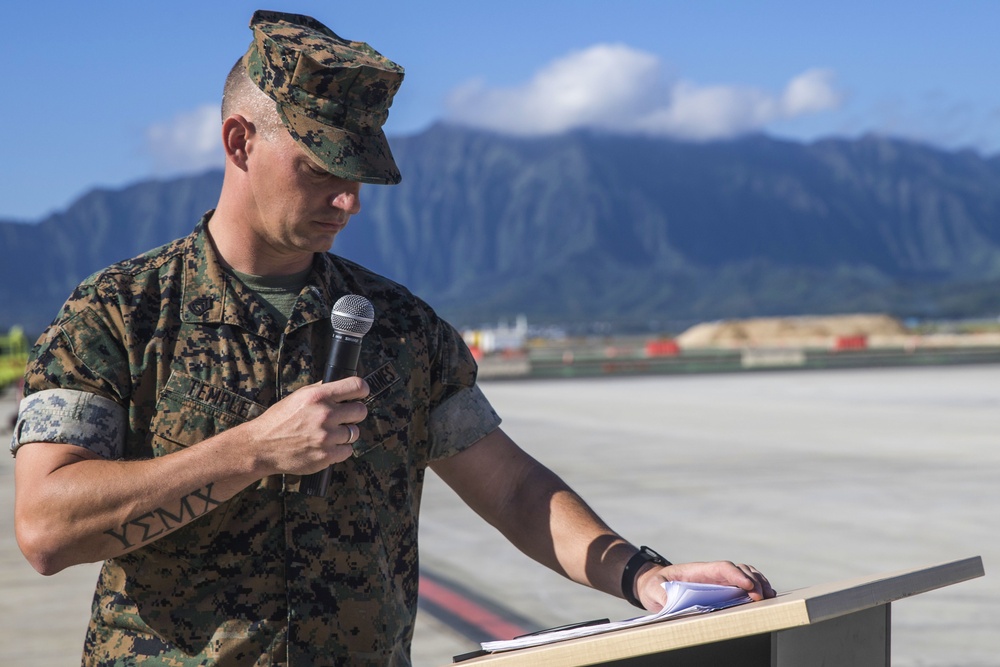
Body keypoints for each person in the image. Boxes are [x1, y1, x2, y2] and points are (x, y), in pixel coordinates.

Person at [11, 10, 774, 666]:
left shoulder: (400, 326)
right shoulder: (120, 313)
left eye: (361, 177)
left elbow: (512, 488)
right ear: (239, 141)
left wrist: (643, 574)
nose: (348, 201)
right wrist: (251, 450)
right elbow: (46, 526)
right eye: (320, 169)